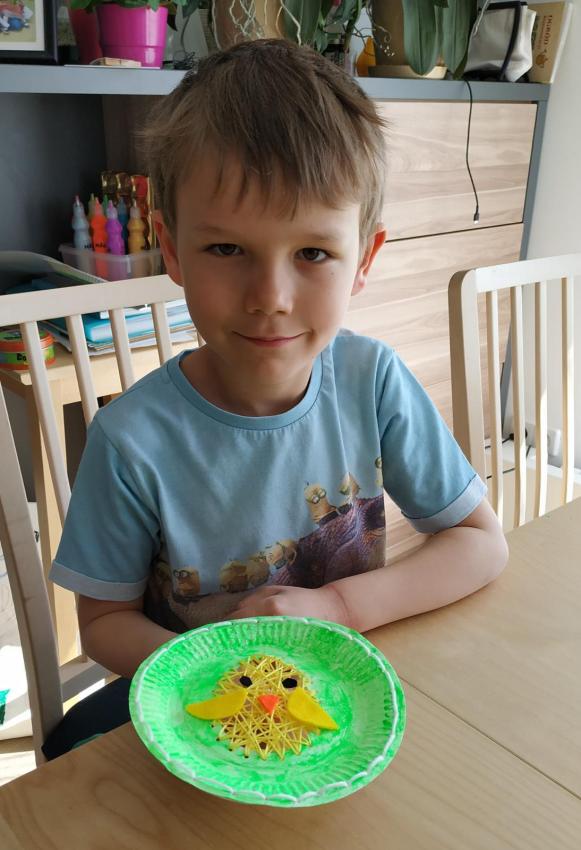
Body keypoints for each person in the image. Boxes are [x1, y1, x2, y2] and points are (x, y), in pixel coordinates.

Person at [46, 39, 507, 758]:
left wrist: (341, 606)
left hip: (335, 708)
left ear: (364, 258)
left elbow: (480, 544)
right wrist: (219, 670)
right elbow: (104, 623)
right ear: (172, 248)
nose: (270, 298)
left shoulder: (373, 380)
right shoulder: (130, 439)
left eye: (313, 253)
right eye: (227, 250)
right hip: (197, 714)